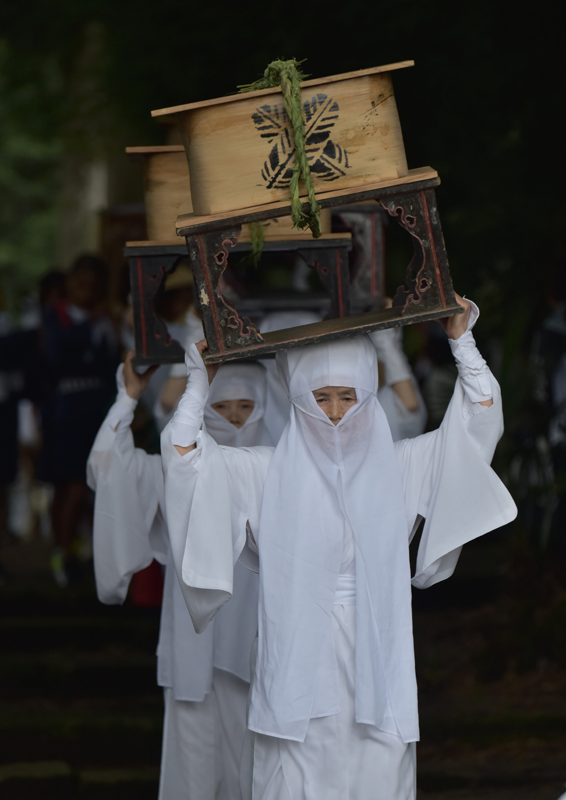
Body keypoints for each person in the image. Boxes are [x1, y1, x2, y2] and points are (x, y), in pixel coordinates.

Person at [162, 295, 517, 799]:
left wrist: (462, 341)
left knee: (379, 768)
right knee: (296, 774)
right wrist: (200, 381)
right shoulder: (263, 471)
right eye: (320, 397)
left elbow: (476, 424)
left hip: (380, 652)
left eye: (347, 397)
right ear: (298, 398)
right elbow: (184, 459)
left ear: (369, 397)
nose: (333, 413)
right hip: (293, 656)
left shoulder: (400, 466)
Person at [87, 353, 272, 800]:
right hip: (190, 640)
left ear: (264, 407)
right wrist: (127, 398)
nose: (232, 417)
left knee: (257, 758)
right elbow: (107, 469)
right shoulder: (172, 469)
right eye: (221, 407)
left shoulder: (277, 469)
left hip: (255, 638)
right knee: (190, 760)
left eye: (245, 407)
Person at [38, 254, 119, 586]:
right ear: (69, 283)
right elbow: (53, 354)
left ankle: (84, 551)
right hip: (64, 413)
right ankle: (63, 552)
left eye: (93, 285)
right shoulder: (56, 317)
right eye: (80, 284)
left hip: (97, 411)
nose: (86, 291)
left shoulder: (108, 321)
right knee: (66, 484)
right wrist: (89, 324)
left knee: (89, 485)